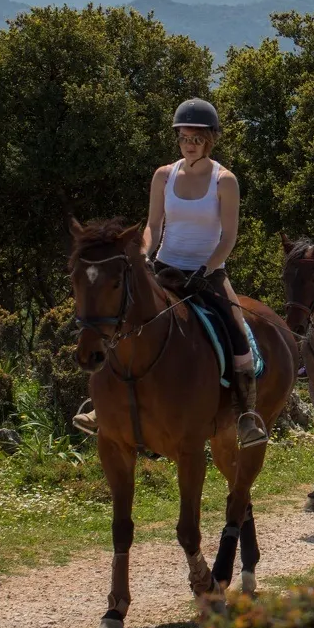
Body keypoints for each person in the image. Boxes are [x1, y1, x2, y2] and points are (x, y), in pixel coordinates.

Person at [71, 98, 268, 449]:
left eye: (196, 138)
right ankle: (102, 408)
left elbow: (228, 238)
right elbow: (153, 225)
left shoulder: (225, 181)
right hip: (164, 267)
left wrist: (207, 269)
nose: (189, 144)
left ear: (210, 139)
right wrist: (144, 253)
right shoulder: (164, 175)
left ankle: (245, 416)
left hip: (208, 274)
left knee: (239, 339)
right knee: (120, 323)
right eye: (184, 137)